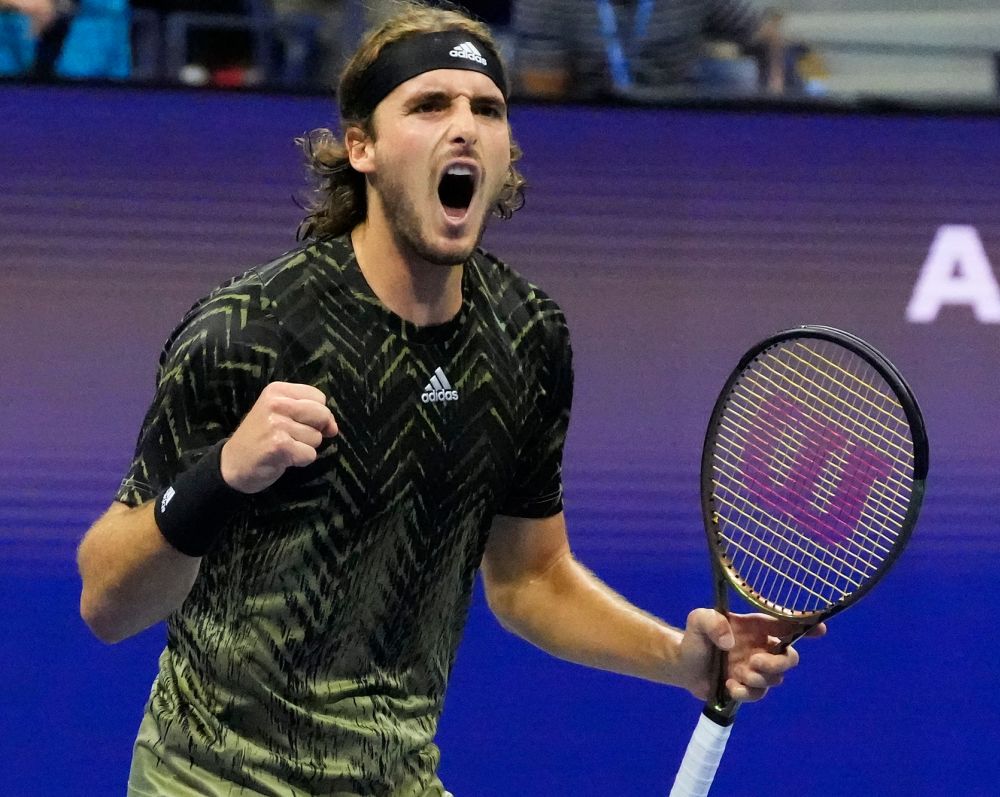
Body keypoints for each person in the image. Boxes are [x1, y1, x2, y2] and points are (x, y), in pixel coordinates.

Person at [77, 2, 822, 795]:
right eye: (430, 104)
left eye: (487, 109)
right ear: (360, 146)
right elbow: (106, 601)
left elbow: (531, 576)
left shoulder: (524, 337)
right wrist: (221, 475)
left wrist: (680, 658)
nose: (464, 127)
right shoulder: (250, 330)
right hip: (211, 778)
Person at [512, 0, 785, 102]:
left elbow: (766, 38)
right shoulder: (545, 4)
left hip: (679, 122)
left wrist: (774, 92)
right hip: (588, 122)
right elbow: (547, 103)